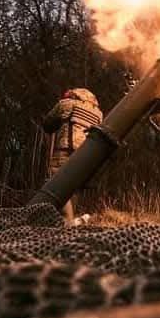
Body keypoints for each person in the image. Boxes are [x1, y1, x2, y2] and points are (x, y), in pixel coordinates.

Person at [41, 88, 103, 223]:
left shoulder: (67, 103)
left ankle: (67, 223)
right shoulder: (98, 113)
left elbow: (47, 124)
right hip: (87, 155)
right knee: (74, 187)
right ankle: (72, 219)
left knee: (58, 185)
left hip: (65, 151)